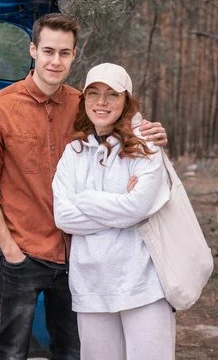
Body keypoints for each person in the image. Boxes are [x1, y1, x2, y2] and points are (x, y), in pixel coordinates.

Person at [0, 14, 168, 360]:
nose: (55, 61)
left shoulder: (85, 104)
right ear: (33, 51)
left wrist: (154, 134)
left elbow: (127, 130)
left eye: (64, 53)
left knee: (74, 351)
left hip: (77, 254)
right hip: (22, 253)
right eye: (48, 51)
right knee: (12, 351)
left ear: (74, 56)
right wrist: (10, 250)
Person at [52, 63, 174, 360]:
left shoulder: (146, 145)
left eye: (112, 94)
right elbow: (63, 217)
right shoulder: (74, 152)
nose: (101, 102)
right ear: (84, 101)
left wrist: (85, 199)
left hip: (142, 283)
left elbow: (136, 209)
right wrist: (119, 200)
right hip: (90, 286)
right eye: (93, 93)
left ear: (126, 101)